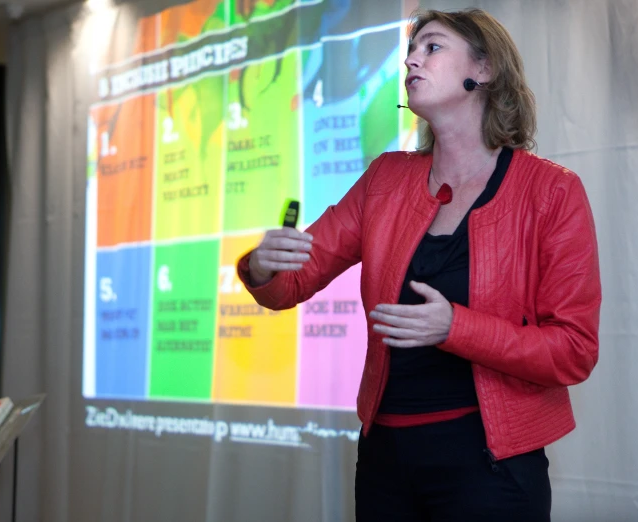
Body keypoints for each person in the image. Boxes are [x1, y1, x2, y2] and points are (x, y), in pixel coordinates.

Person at [236, 8, 601, 522]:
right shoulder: (386, 177)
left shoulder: (551, 191)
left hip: (491, 466)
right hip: (386, 460)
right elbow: (291, 282)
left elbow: (574, 350)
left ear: (486, 69)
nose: (411, 59)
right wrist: (263, 266)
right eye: (411, 50)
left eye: (432, 47)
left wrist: (456, 327)